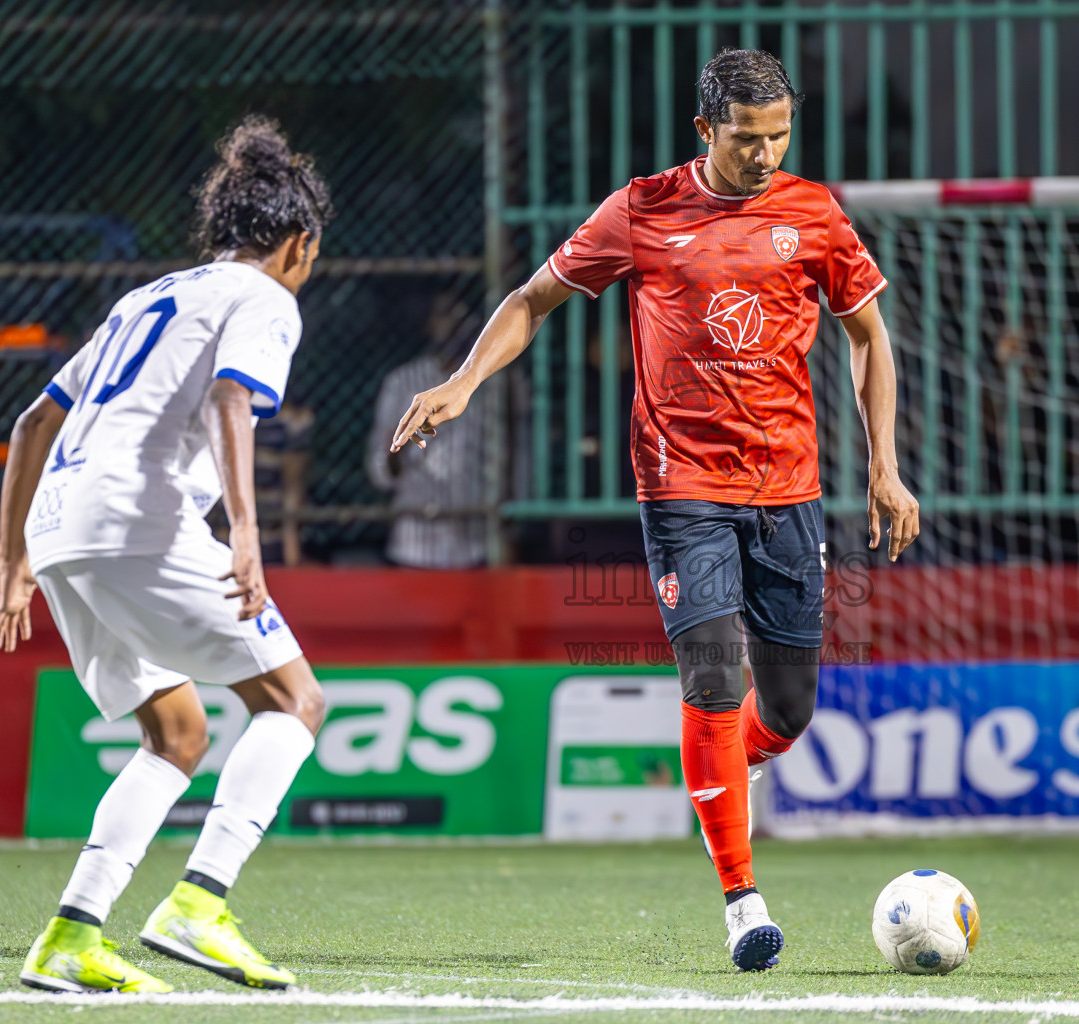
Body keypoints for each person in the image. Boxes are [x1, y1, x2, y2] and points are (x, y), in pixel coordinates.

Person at [391, 48, 919, 972]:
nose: (765, 154)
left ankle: (720, 769)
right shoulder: (642, 209)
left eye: (780, 135)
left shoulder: (814, 214)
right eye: (747, 137)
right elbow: (534, 297)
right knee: (715, 677)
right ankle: (741, 899)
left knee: (787, 713)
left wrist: (886, 466)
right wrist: (466, 380)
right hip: (681, 488)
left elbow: (868, 333)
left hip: (789, 489)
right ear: (705, 130)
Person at [0, 115, 332, 994]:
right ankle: (200, 904)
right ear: (299, 242)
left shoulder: (145, 297)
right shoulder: (266, 299)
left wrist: (12, 561)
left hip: (59, 527)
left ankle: (70, 936)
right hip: (134, 518)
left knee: (176, 732)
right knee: (295, 700)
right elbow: (228, 400)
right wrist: (246, 537)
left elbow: (31, 424)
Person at [365, 292, 490, 568]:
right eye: (445, 314)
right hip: (414, 543)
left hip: (474, 542)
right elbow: (380, 471)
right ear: (430, 324)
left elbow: (515, 456)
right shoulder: (403, 382)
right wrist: (398, 445)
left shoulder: (494, 384)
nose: (455, 324)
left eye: (462, 315)